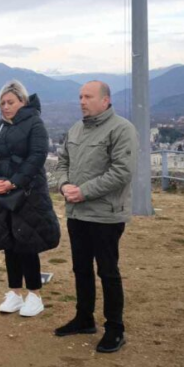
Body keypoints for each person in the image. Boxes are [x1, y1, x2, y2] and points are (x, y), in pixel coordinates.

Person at [49, 80, 136, 353]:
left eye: (88, 97)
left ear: (106, 100)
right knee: (81, 269)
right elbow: (62, 163)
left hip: (105, 215)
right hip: (77, 213)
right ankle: (84, 318)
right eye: (80, 97)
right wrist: (63, 185)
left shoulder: (122, 129)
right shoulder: (76, 128)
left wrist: (84, 191)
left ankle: (115, 329)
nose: (82, 101)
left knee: (108, 272)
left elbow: (122, 172)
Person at [0, 81, 60, 317]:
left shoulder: (35, 123)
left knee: (27, 244)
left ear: (23, 102)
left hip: (28, 193)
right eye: (2, 103)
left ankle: (34, 294)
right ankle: (14, 292)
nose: (6, 107)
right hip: (1, 193)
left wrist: (14, 182)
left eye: (11, 102)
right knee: (8, 243)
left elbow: (36, 157)